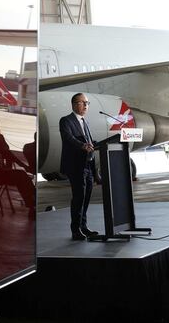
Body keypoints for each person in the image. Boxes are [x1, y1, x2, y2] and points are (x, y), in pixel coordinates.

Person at [59, 93, 99, 240]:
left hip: (87, 165)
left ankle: (83, 227)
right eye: (84, 103)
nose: (86, 106)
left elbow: (89, 141)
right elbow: (68, 138)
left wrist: (96, 144)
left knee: (87, 197)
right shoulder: (66, 121)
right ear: (75, 104)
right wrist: (83, 145)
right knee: (78, 197)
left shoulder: (84, 121)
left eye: (87, 103)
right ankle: (75, 230)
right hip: (75, 166)